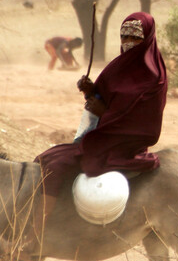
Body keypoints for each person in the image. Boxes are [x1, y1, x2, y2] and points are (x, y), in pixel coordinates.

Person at [29, 12, 168, 240]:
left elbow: (146, 124)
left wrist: (106, 114)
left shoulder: (154, 78)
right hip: (102, 137)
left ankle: (34, 237)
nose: (129, 43)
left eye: (135, 39)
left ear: (148, 39)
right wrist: (90, 90)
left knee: (57, 166)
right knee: (48, 157)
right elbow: (105, 97)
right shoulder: (117, 67)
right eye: (125, 37)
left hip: (123, 145)